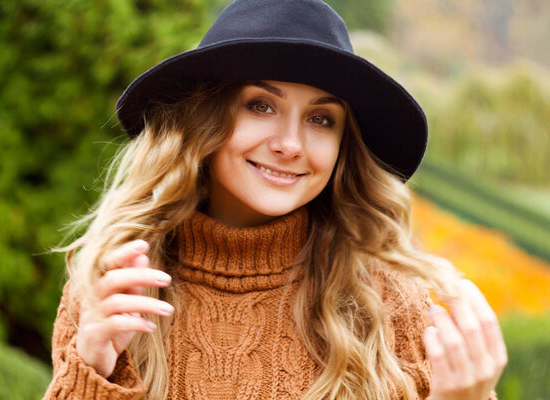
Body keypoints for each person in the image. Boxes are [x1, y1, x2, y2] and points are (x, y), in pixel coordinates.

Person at [43, 0, 507, 399]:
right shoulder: (113, 286)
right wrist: (90, 372)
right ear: (203, 120)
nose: (291, 143)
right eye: (261, 106)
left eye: (321, 119)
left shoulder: (391, 304)